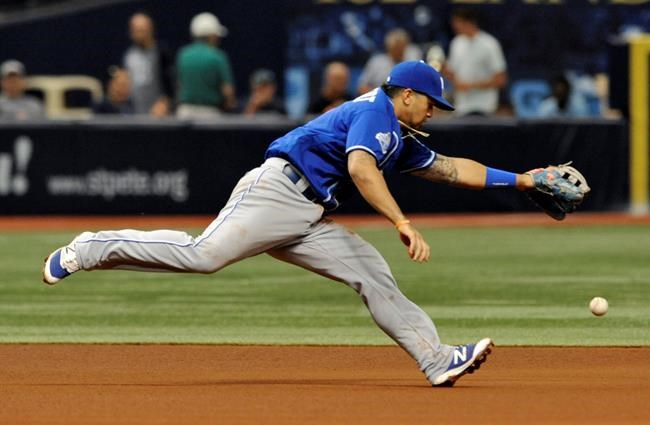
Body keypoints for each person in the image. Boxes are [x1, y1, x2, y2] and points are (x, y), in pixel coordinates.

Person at [43, 61, 541, 387]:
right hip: (278, 191)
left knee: (370, 273)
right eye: (431, 101)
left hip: (309, 215)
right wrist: (401, 220)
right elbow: (360, 169)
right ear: (407, 94)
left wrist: (522, 181)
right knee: (204, 256)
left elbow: (453, 169)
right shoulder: (377, 113)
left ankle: (436, 359)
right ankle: (92, 247)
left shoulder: (401, 132)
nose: (435, 111)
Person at [443, 9, 507, 116]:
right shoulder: (456, 43)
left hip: (485, 107)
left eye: (457, 23)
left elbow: (501, 79)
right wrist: (444, 70)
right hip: (462, 107)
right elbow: (452, 73)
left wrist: (471, 86)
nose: (454, 26)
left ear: (468, 22)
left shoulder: (490, 44)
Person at [176, 12, 236, 119]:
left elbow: (178, 86)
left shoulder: (183, 55)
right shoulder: (218, 57)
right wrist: (229, 104)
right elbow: (227, 90)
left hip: (184, 114)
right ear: (211, 36)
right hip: (211, 115)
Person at [122, 12, 174, 117]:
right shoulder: (128, 56)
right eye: (135, 30)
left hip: (159, 116)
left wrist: (165, 102)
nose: (139, 34)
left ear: (151, 30)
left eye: (142, 30)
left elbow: (172, 84)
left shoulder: (162, 53)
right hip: (135, 115)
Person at [357, 28, 421, 95]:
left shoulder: (413, 59)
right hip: (380, 100)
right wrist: (379, 97)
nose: (398, 51)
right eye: (395, 48)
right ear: (388, 47)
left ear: (405, 46)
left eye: (400, 47)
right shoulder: (376, 62)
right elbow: (362, 87)